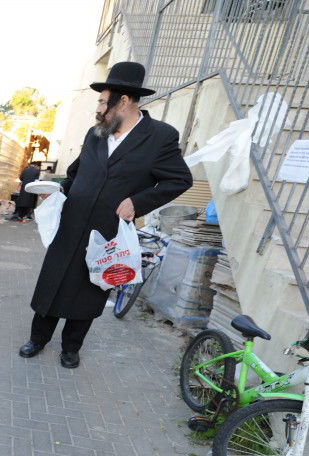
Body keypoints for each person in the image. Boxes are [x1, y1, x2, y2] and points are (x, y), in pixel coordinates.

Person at [20, 61, 192, 368]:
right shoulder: (95, 133)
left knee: (90, 289)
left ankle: (71, 348)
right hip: (71, 224)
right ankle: (38, 339)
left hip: (106, 230)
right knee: (52, 282)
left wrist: (138, 203)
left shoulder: (160, 137)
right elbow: (75, 174)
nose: (98, 108)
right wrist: (56, 192)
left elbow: (179, 179)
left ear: (123, 102)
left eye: (103, 101)